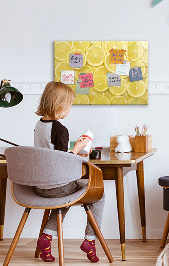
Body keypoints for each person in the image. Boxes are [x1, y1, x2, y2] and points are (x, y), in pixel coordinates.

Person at [34, 81, 104, 263]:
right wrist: (78, 149)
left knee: (65, 198)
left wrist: (73, 149)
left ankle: (46, 238)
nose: (70, 108)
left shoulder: (39, 125)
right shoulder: (60, 129)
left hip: (40, 186)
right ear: (60, 105)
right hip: (56, 186)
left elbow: (51, 154)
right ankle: (90, 240)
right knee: (99, 194)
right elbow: (61, 161)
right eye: (70, 104)